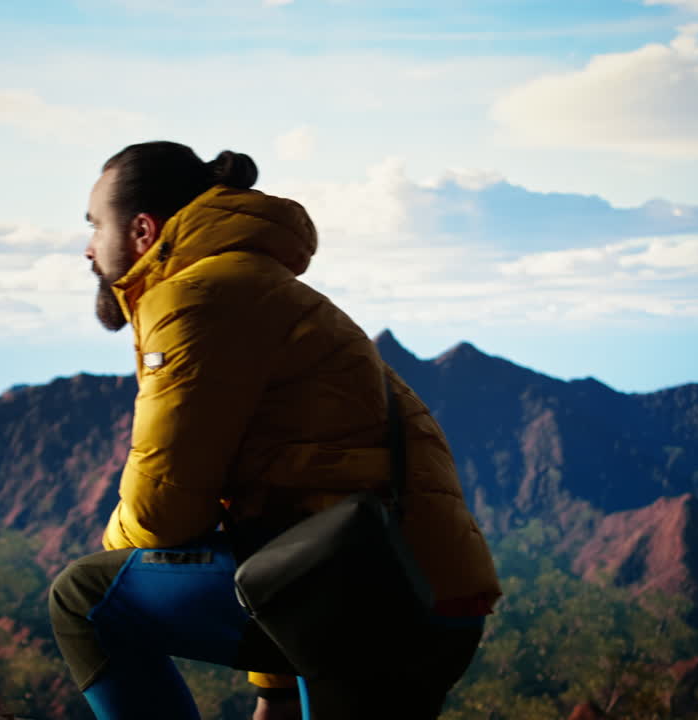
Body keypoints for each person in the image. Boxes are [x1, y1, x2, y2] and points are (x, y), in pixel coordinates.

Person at [48, 141, 502, 720]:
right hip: (413, 592)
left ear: (142, 230)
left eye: (95, 226)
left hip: (367, 603)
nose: (88, 250)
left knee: (85, 597)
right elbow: (288, 518)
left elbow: (164, 514)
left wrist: (118, 554)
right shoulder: (255, 284)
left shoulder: (194, 297)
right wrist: (277, 692)